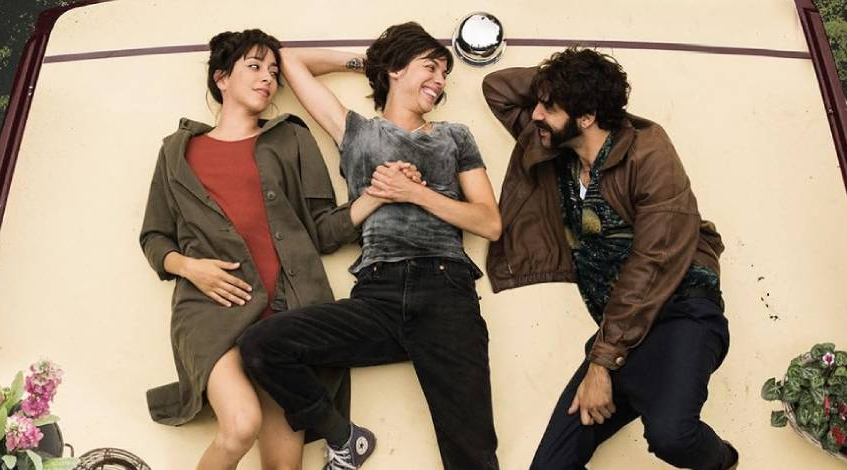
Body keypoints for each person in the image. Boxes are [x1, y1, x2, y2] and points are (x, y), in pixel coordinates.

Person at [239, 22, 502, 470]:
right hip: (378, 296)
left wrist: (413, 192)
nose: (440, 81)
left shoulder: (453, 136)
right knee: (263, 345)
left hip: (446, 294)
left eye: (444, 75)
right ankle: (344, 437)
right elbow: (290, 60)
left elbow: (490, 223)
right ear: (398, 69)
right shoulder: (356, 132)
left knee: (472, 455)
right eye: (430, 67)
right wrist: (375, 62)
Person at [140, 29, 405, 470]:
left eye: (274, 72)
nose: (268, 78)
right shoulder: (177, 152)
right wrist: (190, 267)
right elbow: (154, 236)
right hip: (212, 310)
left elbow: (321, 231)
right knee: (240, 425)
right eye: (255, 67)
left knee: (284, 465)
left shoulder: (291, 137)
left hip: (286, 313)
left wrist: (374, 197)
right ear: (222, 78)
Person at [481, 48, 738, 470]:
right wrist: (563, 81)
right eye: (540, 103)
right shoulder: (554, 146)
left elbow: (653, 265)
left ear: (586, 118)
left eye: (550, 106)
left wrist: (601, 364)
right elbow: (498, 89)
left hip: (680, 312)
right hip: (620, 332)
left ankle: (723, 461)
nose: (537, 114)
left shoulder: (649, 153)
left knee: (671, 435)